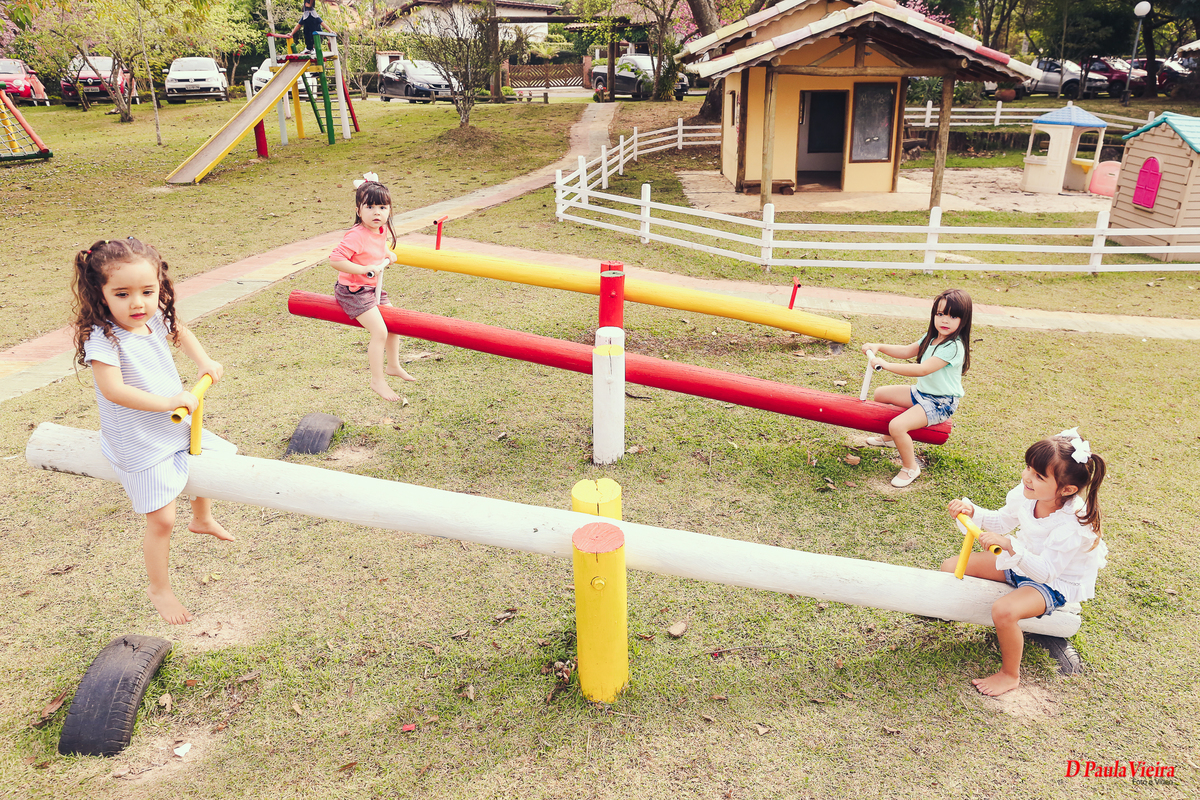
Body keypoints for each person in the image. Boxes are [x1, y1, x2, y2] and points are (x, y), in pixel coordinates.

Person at [72, 238, 237, 625]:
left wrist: (204, 361)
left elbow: (180, 331)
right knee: (162, 519)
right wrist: (168, 403)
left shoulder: (154, 317)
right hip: (138, 439)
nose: (138, 303)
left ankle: (202, 518)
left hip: (172, 423)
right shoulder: (104, 338)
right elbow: (114, 391)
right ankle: (159, 588)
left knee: (206, 461)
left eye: (147, 292)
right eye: (122, 294)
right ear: (99, 293)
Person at [941, 429, 1108, 697]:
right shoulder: (1028, 493)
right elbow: (1002, 520)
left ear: (1067, 489)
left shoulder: (1072, 524)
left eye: (1039, 476)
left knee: (1004, 611)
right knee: (951, 566)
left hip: (1052, 581)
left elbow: (1047, 572)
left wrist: (1010, 546)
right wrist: (974, 512)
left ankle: (1010, 675)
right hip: (1021, 560)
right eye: (1029, 467)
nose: (1027, 477)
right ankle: (947, 609)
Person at [860, 288, 972, 487]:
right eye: (940, 314)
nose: (945, 320)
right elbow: (907, 351)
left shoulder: (953, 347)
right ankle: (889, 438)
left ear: (963, 320)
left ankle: (910, 467)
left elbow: (922, 370)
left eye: (953, 316)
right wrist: (879, 346)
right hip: (922, 393)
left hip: (940, 402)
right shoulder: (932, 337)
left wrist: (886, 365)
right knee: (880, 394)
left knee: (898, 425)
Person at [329, 172, 414, 402]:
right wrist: (363, 269)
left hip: (372, 286)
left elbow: (378, 245)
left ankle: (393, 365)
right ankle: (377, 381)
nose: (377, 212)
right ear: (359, 211)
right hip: (353, 291)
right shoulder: (356, 235)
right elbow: (335, 259)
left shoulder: (380, 229)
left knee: (394, 324)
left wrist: (387, 253)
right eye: (370, 207)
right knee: (380, 331)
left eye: (382, 207)